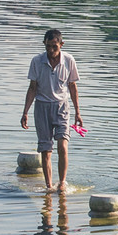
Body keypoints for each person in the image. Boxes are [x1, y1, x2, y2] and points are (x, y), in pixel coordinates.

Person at [21, 29, 82, 191]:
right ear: (44, 45)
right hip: (42, 107)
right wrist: (25, 112)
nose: (51, 51)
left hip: (62, 107)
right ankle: (49, 187)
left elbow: (72, 86)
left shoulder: (68, 60)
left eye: (54, 47)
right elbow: (32, 88)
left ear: (61, 45)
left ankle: (62, 183)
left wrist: (78, 112)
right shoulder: (37, 61)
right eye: (47, 47)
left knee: (63, 146)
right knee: (46, 150)